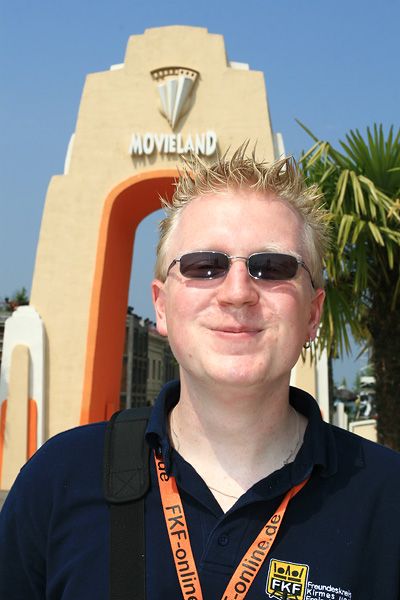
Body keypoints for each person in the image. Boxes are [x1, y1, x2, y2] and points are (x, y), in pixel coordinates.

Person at [1, 146, 400, 600]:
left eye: (272, 268)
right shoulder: (58, 480)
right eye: (205, 266)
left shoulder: (387, 499)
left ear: (312, 313)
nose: (237, 293)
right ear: (161, 306)